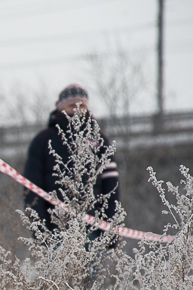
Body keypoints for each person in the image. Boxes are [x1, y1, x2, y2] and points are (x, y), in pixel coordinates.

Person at [23, 84, 120, 232]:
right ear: (61, 107)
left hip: (93, 228)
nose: (77, 110)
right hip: (55, 227)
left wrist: (111, 230)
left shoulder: (100, 140)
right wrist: (40, 229)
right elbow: (32, 187)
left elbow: (111, 186)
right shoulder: (42, 141)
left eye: (82, 106)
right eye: (72, 105)